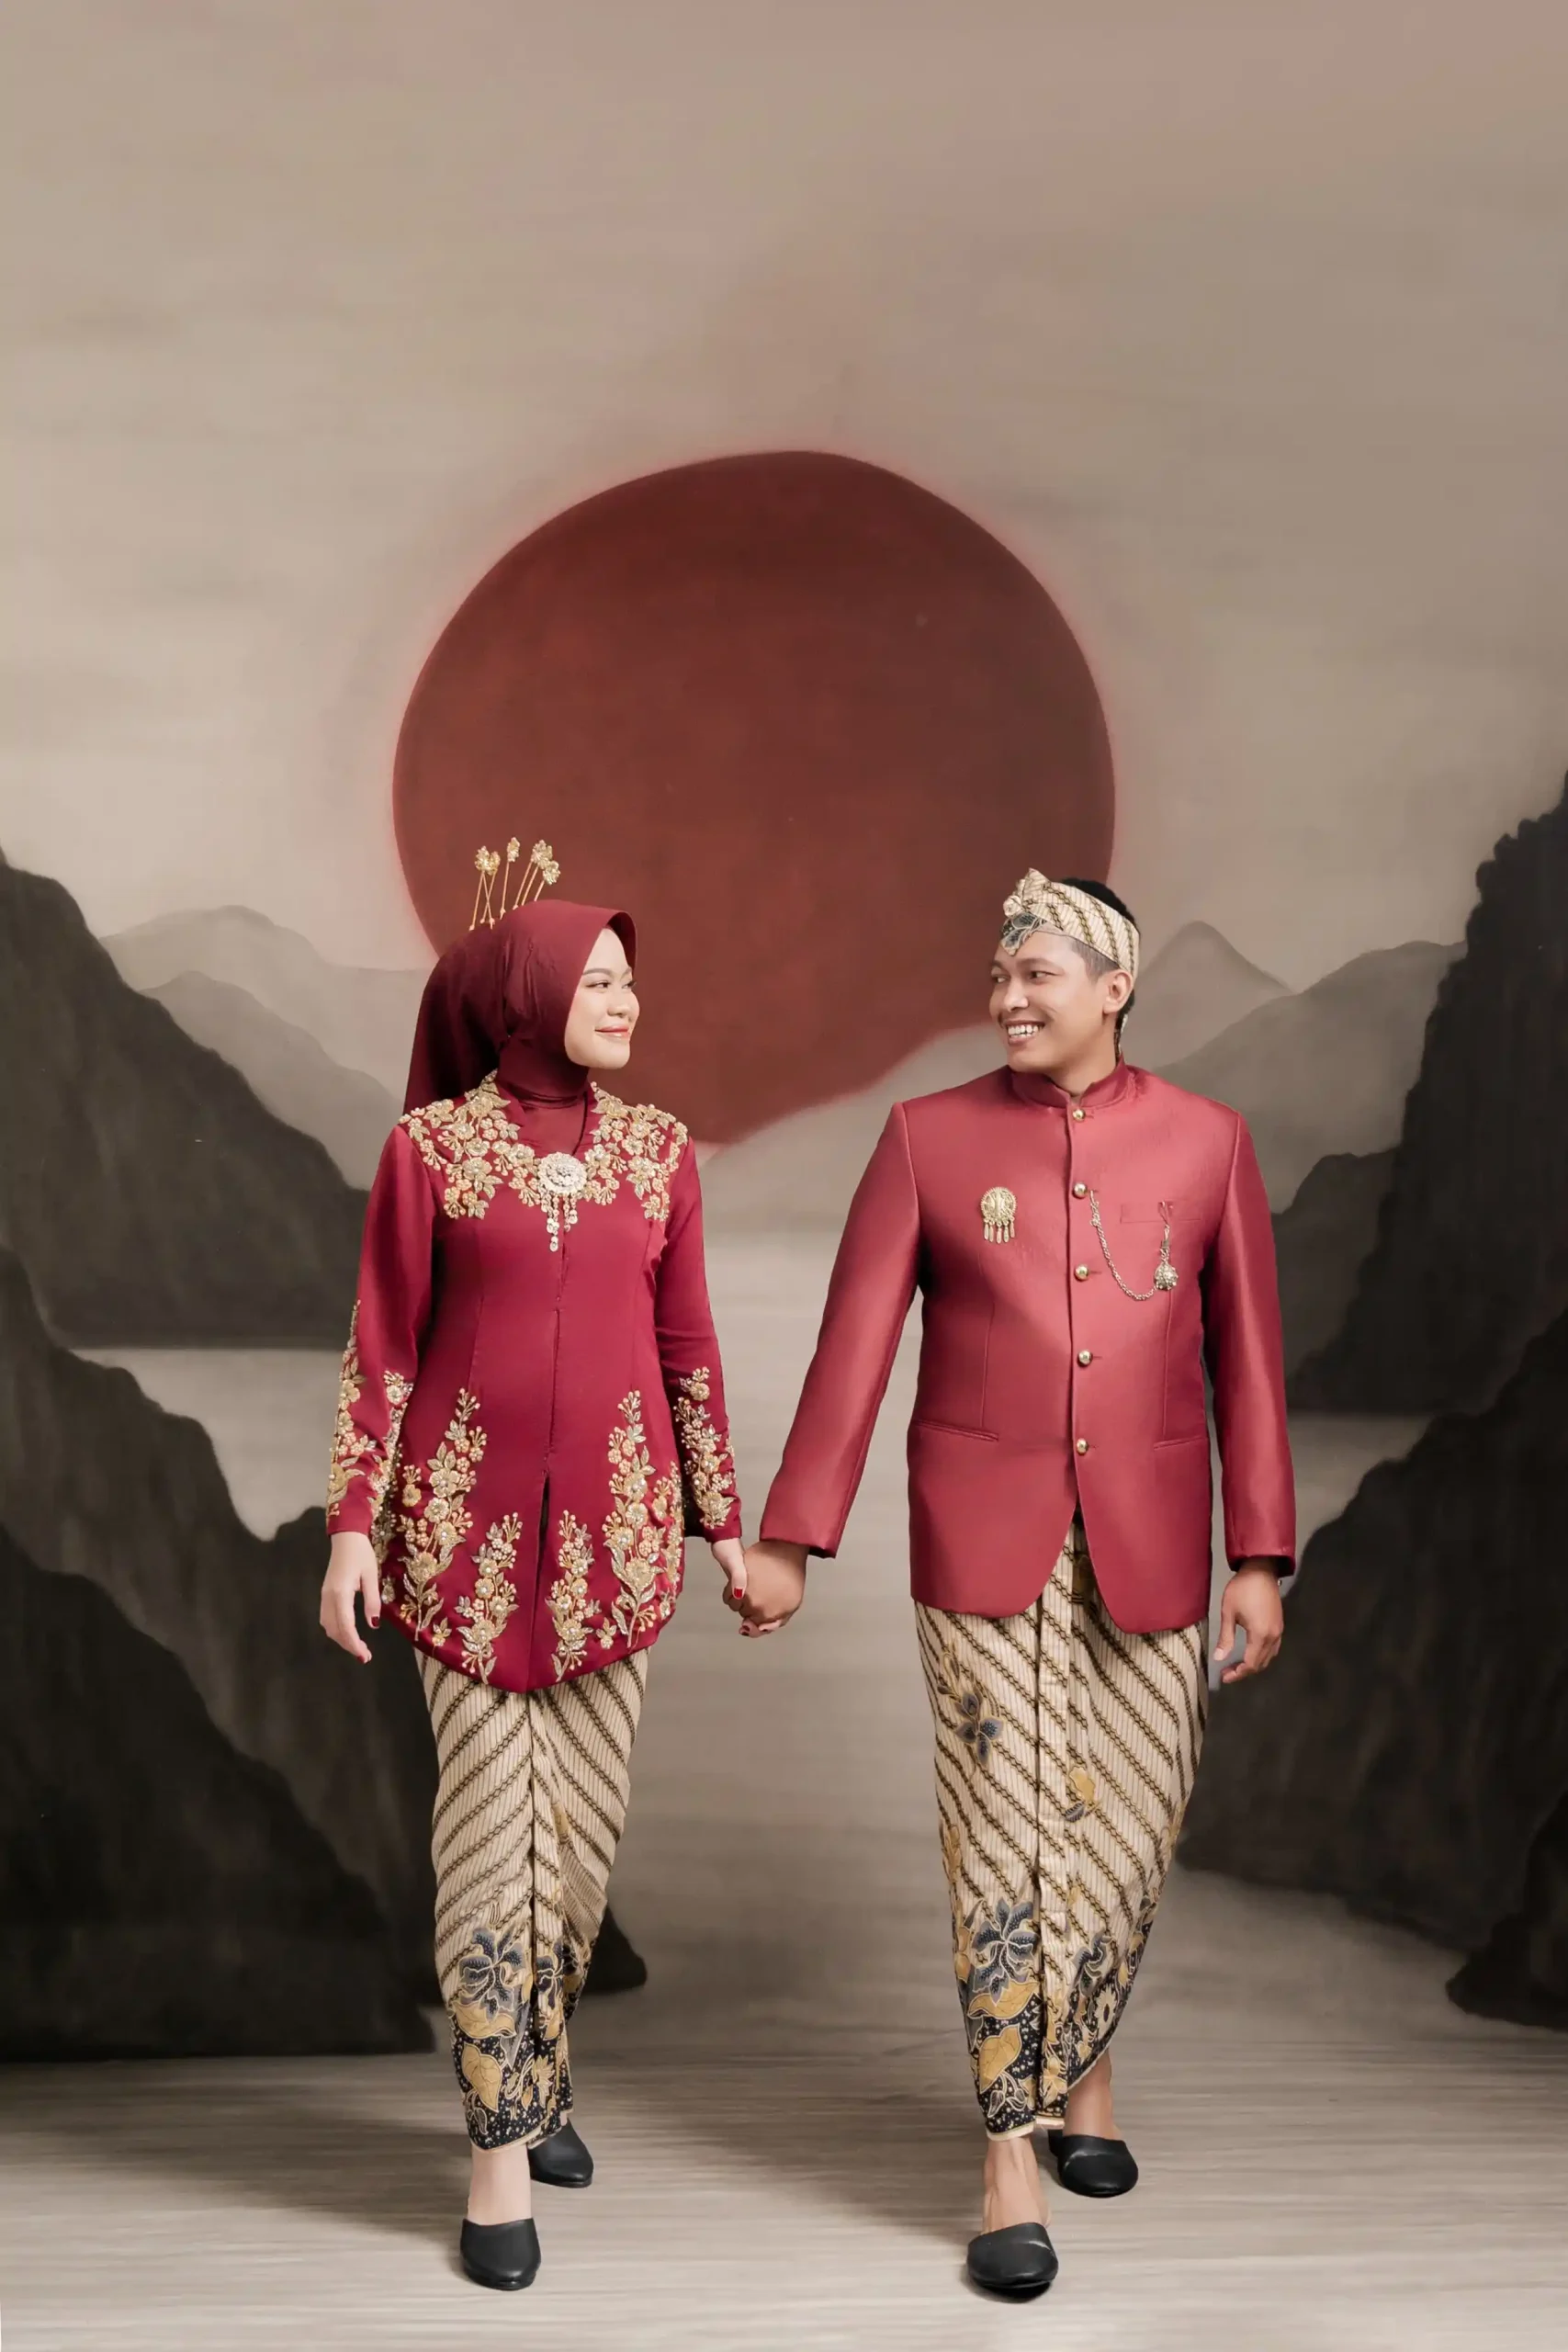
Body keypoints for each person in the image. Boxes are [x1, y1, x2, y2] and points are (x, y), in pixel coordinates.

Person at [736, 870, 1292, 2301]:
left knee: (1128, 1825)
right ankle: (1005, 2156)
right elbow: (852, 1350)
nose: (1006, 998)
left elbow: (1245, 1364)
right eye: (997, 976)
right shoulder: (925, 1139)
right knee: (1004, 1841)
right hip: (981, 1540)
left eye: (1036, 974)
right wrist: (792, 1536)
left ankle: (1086, 2074)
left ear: (1114, 986)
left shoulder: (1209, 1140)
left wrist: (1256, 1556)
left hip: (1156, 1539)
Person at [319, 893, 745, 2293]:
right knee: (492, 1843)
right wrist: (352, 1530)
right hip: (458, 1552)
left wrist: (724, 1529)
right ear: (532, 993)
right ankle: (497, 2153)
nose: (625, 1002)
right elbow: (382, 1348)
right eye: (599, 980)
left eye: (630, 980)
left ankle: (537, 2071)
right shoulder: (429, 1151)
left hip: (621, 1553)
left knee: (575, 1852)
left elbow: (686, 1347)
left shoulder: (659, 1153)